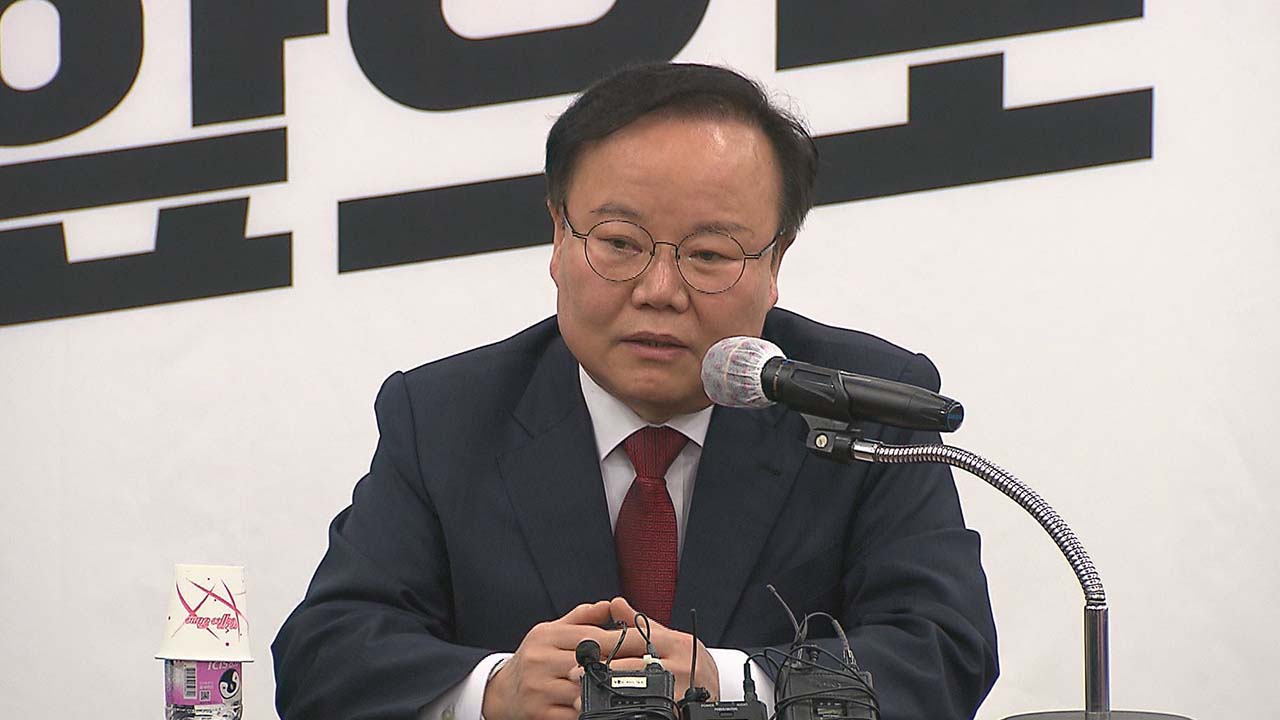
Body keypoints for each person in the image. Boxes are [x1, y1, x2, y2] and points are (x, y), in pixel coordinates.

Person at [272, 62, 998, 720]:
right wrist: (496, 690)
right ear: (559, 238)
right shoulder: (444, 416)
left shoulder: (861, 406)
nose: (659, 291)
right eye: (620, 243)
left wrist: (730, 682)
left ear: (775, 263)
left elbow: (942, 649)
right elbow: (324, 657)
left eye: (708, 254)